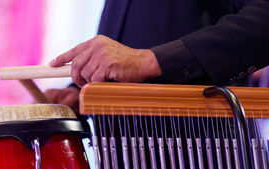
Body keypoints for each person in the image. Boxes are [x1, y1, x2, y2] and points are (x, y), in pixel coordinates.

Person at [46, 0, 269, 110]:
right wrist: (84, 89)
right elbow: (130, 47)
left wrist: (151, 61)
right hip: (124, 164)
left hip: (204, 163)